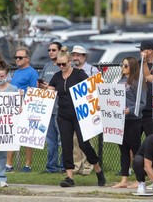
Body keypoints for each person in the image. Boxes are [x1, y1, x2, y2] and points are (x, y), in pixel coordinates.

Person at [48, 46, 106, 187]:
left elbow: (91, 90)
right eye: (59, 64)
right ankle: (69, 177)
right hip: (63, 116)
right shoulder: (56, 77)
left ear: (69, 61)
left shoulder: (79, 74)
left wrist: (98, 103)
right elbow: (49, 93)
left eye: (64, 64)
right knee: (67, 146)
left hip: (79, 116)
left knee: (84, 144)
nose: (61, 66)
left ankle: (98, 170)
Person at [112, 56, 146, 188]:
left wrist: (130, 110)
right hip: (120, 120)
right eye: (122, 65)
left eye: (126, 65)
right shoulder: (120, 80)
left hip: (133, 120)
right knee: (123, 150)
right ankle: (124, 179)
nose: (123, 68)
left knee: (136, 149)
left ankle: (139, 179)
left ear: (132, 67)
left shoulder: (138, 81)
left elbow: (142, 102)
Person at [6, 47, 38, 173]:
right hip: (14, 108)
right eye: (16, 57)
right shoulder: (16, 72)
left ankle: (27, 165)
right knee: (12, 135)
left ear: (27, 59)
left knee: (27, 137)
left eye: (20, 57)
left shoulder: (32, 73)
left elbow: (34, 92)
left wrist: (24, 103)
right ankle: (9, 165)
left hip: (26, 109)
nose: (17, 60)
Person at [71, 45, 99, 175]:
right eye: (74, 55)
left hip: (88, 109)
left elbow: (99, 87)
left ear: (84, 56)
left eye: (78, 55)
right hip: (74, 108)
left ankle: (88, 166)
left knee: (87, 138)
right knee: (75, 139)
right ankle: (77, 165)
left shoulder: (92, 70)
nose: (75, 57)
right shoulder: (70, 70)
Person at [38, 41, 65, 173]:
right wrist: (42, 86)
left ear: (60, 51)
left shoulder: (62, 66)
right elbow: (41, 83)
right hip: (48, 109)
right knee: (51, 141)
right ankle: (51, 167)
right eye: (49, 50)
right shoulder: (47, 66)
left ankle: (64, 166)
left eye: (54, 50)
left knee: (63, 140)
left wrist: (51, 86)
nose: (50, 52)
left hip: (60, 108)